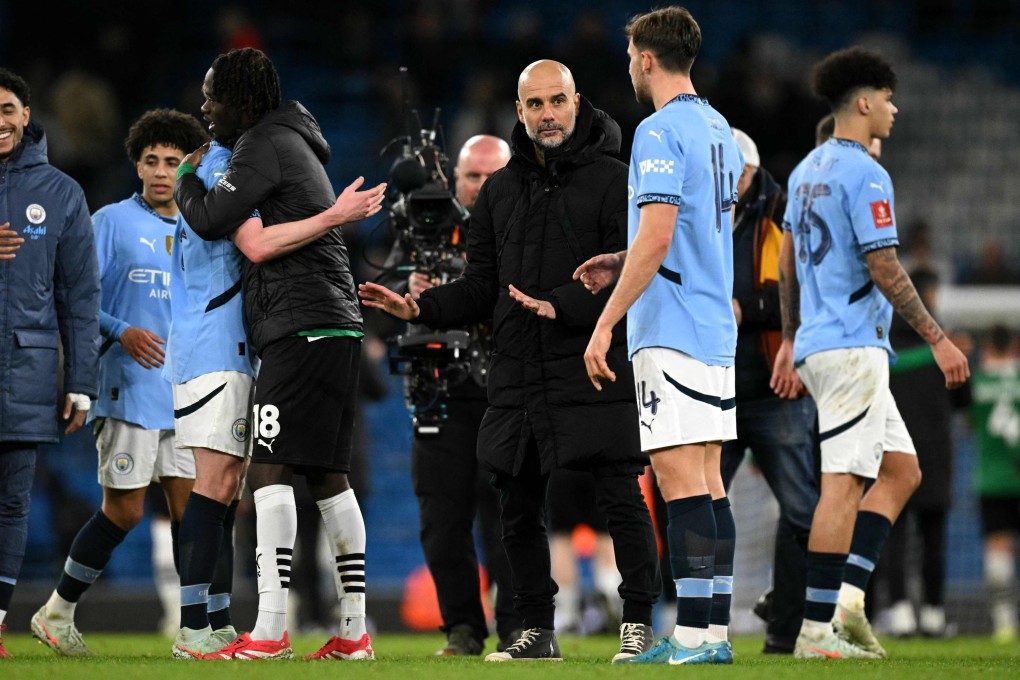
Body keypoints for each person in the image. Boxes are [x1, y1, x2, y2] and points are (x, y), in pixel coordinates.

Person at [360, 59, 660, 664]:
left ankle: (637, 623)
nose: (547, 114)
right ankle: (535, 629)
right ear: (519, 112)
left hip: (591, 360)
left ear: (576, 102)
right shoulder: (499, 192)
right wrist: (419, 306)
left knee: (619, 498)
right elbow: (480, 288)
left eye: (557, 101)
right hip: (518, 368)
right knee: (517, 507)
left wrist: (563, 306)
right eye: (535, 105)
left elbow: (631, 268)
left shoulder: (615, 179)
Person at [174, 47, 385, 661]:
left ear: (240, 97)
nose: (205, 106)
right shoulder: (290, 141)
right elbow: (258, 236)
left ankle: (268, 631)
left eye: (213, 94)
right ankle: (353, 632)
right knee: (328, 479)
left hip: (302, 326)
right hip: (333, 325)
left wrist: (188, 178)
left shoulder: (261, 144)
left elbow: (216, 220)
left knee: (267, 473)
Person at [770, 46, 970, 659]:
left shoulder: (806, 171)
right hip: (854, 347)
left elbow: (785, 266)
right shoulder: (866, 173)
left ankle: (850, 604)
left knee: (902, 471)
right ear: (863, 102)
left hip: (822, 345)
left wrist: (790, 338)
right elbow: (883, 262)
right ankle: (814, 632)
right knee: (843, 483)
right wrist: (937, 338)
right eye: (886, 97)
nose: (894, 108)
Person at [577, 6, 742, 666]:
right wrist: (623, 262)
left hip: (670, 328)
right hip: (712, 324)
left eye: (629, 58)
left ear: (647, 58)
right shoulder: (720, 128)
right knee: (708, 479)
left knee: (679, 482)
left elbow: (660, 233)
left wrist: (607, 319)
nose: (628, 68)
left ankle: (698, 640)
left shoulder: (657, 130)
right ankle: (712, 633)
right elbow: (692, 233)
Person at [30, 109, 208, 656]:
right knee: (126, 511)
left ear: (189, 169)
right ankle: (57, 611)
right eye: (151, 161)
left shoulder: (203, 228)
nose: (160, 172)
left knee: (191, 512)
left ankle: (194, 629)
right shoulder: (109, 221)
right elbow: (76, 297)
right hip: (127, 386)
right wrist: (121, 331)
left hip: (187, 392)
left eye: (172, 163)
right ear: (136, 165)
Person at [381, 134, 523, 656]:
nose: (482, 186)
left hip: (509, 393)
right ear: (454, 179)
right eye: (472, 176)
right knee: (443, 518)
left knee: (512, 516)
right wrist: (407, 284)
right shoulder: (424, 228)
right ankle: (462, 628)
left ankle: (518, 629)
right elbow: (379, 283)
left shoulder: (530, 226)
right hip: (438, 390)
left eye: (493, 176)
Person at [0, 68, 100, 660]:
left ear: (27, 114)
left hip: (25, 370)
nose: (0, 120)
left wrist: (81, 382)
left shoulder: (61, 193)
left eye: (8, 108)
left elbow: (79, 296)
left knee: (12, 503)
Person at [719, 128, 819, 654]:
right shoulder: (697, 212)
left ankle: (790, 624)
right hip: (715, 389)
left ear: (752, 171)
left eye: (735, 171)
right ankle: (701, 626)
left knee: (802, 512)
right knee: (700, 506)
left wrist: (746, 310)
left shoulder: (784, 212)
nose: (727, 180)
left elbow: (802, 285)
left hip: (776, 385)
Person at [880, 268, 970, 638]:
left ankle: (900, 612)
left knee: (895, 535)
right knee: (934, 536)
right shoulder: (942, 345)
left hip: (893, 452)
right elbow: (964, 399)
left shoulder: (884, 344)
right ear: (925, 295)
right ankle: (933, 614)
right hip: (934, 453)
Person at [970, 325, 1020, 642]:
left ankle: (1003, 624)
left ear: (987, 344)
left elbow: (967, 423)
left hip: (991, 479)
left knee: (997, 549)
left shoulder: (978, 383)